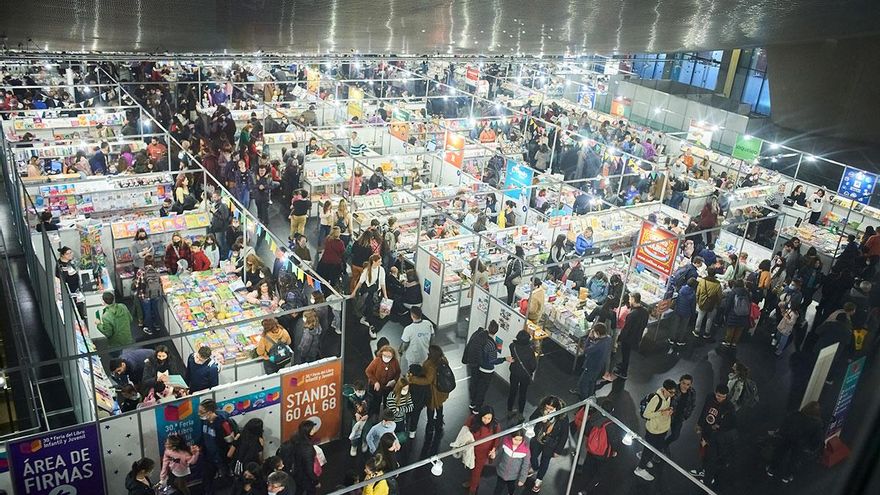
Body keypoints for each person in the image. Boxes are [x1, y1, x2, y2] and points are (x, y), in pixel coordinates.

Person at [408, 345, 452, 457]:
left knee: (431, 408)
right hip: (442, 390)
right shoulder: (443, 359)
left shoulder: (430, 365)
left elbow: (427, 380)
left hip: (433, 392)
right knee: (440, 405)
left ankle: (430, 427)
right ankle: (440, 420)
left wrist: (412, 379)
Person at [766, 402, 824, 484]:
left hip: (788, 438)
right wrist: (811, 448)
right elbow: (817, 438)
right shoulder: (817, 424)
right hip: (801, 444)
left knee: (779, 453)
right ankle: (787, 476)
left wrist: (779, 433)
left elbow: (786, 424)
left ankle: (772, 469)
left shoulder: (795, 414)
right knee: (794, 460)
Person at [633, 379, 676, 481]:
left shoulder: (668, 398)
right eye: (671, 392)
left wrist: (668, 411)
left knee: (653, 448)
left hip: (662, 428)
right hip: (654, 430)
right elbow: (646, 414)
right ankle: (640, 468)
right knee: (651, 449)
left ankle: (643, 457)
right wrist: (662, 413)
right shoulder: (656, 399)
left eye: (674, 392)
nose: (673, 394)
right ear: (664, 390)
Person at [463, 320, 510, 411]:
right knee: (482, 389)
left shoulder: (481, 338)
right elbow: (492, 361)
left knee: (475, 385)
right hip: (487, 370)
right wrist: (505, 359)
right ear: (496, 331)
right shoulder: (492, 345)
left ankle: (473, 403)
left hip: (478, 366)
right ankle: (477, 408)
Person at [529, 396, 568, 492]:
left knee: (545, 461)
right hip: (538, 438)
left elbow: (564, 434)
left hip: (551, 443)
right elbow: (531, 418)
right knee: (533, 456)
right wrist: (541, 418)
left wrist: (558, 450)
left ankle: (539, 480)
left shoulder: (562, 416)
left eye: (551, 409)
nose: (549, 410)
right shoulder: (541, 409)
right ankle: (534, 467)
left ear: (556, 408)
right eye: (547, 408)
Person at [198, 398, 237, 495]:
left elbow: (230, 441)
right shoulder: (204, 421)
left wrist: (227, 457)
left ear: (210, 412)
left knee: (227, 478)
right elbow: (203, 435)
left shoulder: (223, 423)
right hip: (208, 456)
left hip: (221, 457)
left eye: (202, 412)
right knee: (207, 479)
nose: (199, 414)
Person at [464, 406, 501, 494]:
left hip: (483, 453)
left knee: (477, 471)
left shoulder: (495, 425)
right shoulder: (473, 419)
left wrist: (493, 449)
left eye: (489, 418)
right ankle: (471, 482)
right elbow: (464, 430)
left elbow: (496, 439)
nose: (486, 420)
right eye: (484, 417)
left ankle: (472, 489)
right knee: (470, 466)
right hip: (470, 450)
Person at [615, 292, 649, 379]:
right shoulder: (645, 312)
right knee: (627, 354)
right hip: (637, 337)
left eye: (630, 299)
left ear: (633, 299)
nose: (629, 301)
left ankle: (623, 372)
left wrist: (620, 338)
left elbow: (626, 329)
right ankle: (622, 365)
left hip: (628, 339)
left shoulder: (632, 314)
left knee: (625, 354)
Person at [576, 323, 612, 400]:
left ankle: (584, 400)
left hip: (591, 366)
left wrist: (589, 338)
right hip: (600, 366)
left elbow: (586, 350)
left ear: (598, 333)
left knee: (583, 383)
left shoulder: (598, 344)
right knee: (592, 382)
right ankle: (590, 395)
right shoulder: (608, 338)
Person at [507, 330, 538, 417]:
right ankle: (520, 413)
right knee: (523, 394)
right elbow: (533, 365)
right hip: (525, 376)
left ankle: (509, 410)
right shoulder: (530, 351)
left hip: (514, 373)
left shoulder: (513, 346)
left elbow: (512, 347)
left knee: (512, 391)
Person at [365, 345, 402, 416]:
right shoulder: (377, 361)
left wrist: (394, 380)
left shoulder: (395, 362)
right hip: (376, 386)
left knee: (387, 402)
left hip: (388, 386)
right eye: (384, 355)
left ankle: (386, 417)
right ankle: (375, 417)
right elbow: (368, 371)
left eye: (389, 356)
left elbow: (398, 372)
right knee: (376, 402)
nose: (386, 358)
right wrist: (375, 382)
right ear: (381, 354)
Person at [493, 430, 531, 495]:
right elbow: (499, 451)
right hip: (501, 472)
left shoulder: (525, 450)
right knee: (498, 488)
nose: (517, 442)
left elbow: (525, 465)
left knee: (511, 487)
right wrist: (494, 454)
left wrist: (522, 479)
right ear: (511, 437)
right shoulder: (505, 442)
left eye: (520, 440)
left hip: (513, 476)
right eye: (515, 439)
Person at [665, 375, 697, 448]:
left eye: (688, 384)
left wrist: (686, 416)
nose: (685, 386)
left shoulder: (692, 392)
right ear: (680, 381)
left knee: (675, 436)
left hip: (679, 417)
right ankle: (658, 449)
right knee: (661, 434)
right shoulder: (673, 390)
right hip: (668, 415)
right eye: (683, 383)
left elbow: (692, 405)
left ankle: (664, 445)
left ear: (690, 384)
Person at [289, 420, 319, 495]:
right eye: (313, 428)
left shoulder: (295, 438)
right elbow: (309, 469)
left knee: (298, 490)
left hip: (296, 473)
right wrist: (316, 481)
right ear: (309, 432)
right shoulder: (307, 449)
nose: (315, 429)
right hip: (305, 477)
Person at [399, 306, 433, 372]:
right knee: (424, 371)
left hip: (413, 358)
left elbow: (405, 344)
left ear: (412, 316)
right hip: (425, 355)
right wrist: (429, 347)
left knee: (412, 373)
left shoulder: (408, 329)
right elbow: (432, 336)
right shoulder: (428, 324)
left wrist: (401, 351)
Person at [721, 280, 752, 349]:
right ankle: (734, 343)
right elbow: (750, 303)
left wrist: (725, 314)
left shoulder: (733, 292)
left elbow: (728, 304)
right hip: (744, 314)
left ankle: (728, 342)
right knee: (739, 330)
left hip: (734, 314)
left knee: (731, 329)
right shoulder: (747, 293)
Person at [693, 268, 723, 339]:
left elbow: (698, 292)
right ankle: (707, 333)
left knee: (700, 317)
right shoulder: (717, 284)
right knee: (710, 319)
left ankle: (696, 331)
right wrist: (718, 304)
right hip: (713, 303)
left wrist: (697, 300)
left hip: (702, 301)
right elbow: (719, 296)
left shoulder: (702, 281)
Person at [668, 278, 697, 347]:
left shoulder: (681, 289)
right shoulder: (693, 294)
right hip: (687, 313)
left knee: (675, 325)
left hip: (678, 309)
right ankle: (679, 340)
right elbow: (693, 306)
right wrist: (693, 314)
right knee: (683, 327)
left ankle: (672, 338)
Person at [317, 226, 345, 293]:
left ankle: (323, 291)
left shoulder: (327, 239)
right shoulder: (340, 243)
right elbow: (342, 253)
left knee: (324, 278)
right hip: (334, 264)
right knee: (333, 279)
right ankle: (330, 291)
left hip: (324, 262)